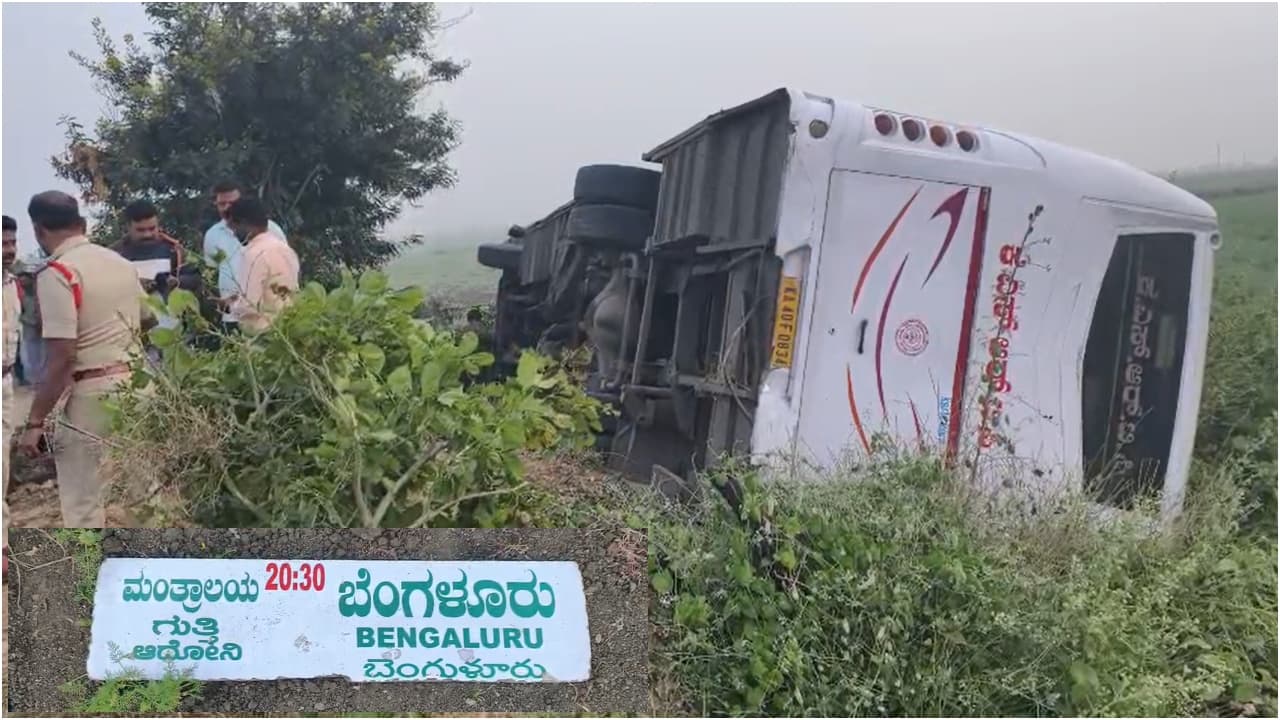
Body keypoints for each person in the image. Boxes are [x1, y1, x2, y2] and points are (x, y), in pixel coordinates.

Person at [14, 191, 153, 527]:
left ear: (38, 230)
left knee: (82, 501)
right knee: (145, 495)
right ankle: (151, 574)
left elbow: (62, 356)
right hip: (138, 385)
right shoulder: (121, 263)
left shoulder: (58, 272)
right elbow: (148, 317)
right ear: (80, 223)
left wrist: (35, 422)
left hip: (92, 395)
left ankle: (85, 579)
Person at [203, 181, 286, 337]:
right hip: (231, 317)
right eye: (222, 204)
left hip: (267, 316)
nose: (227, 208)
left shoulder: (272, 229)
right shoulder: (212, 235)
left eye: (232, 203)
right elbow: (212, 272)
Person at [111, 200, 187, 359]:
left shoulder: (173, 249)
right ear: (128, 227)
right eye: (140, 230)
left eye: (152, 228)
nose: (147, 234)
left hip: (170, 331)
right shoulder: (114, 254)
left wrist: (175, 282)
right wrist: (135, 286)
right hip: (132, 333)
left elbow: (193, 278)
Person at [222, 195, 299, 333]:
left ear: (244, 223)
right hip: (289, 329)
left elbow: (249, 305)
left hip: (264, 336)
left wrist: (228, 305)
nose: (234, 234)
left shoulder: (253, 254)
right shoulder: (286, 250)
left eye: (234, 228)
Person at [3, 215, 20, 569]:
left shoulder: (11, 284)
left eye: (12, 243)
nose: (9, 250)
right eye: (3, 243)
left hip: (6, 382)